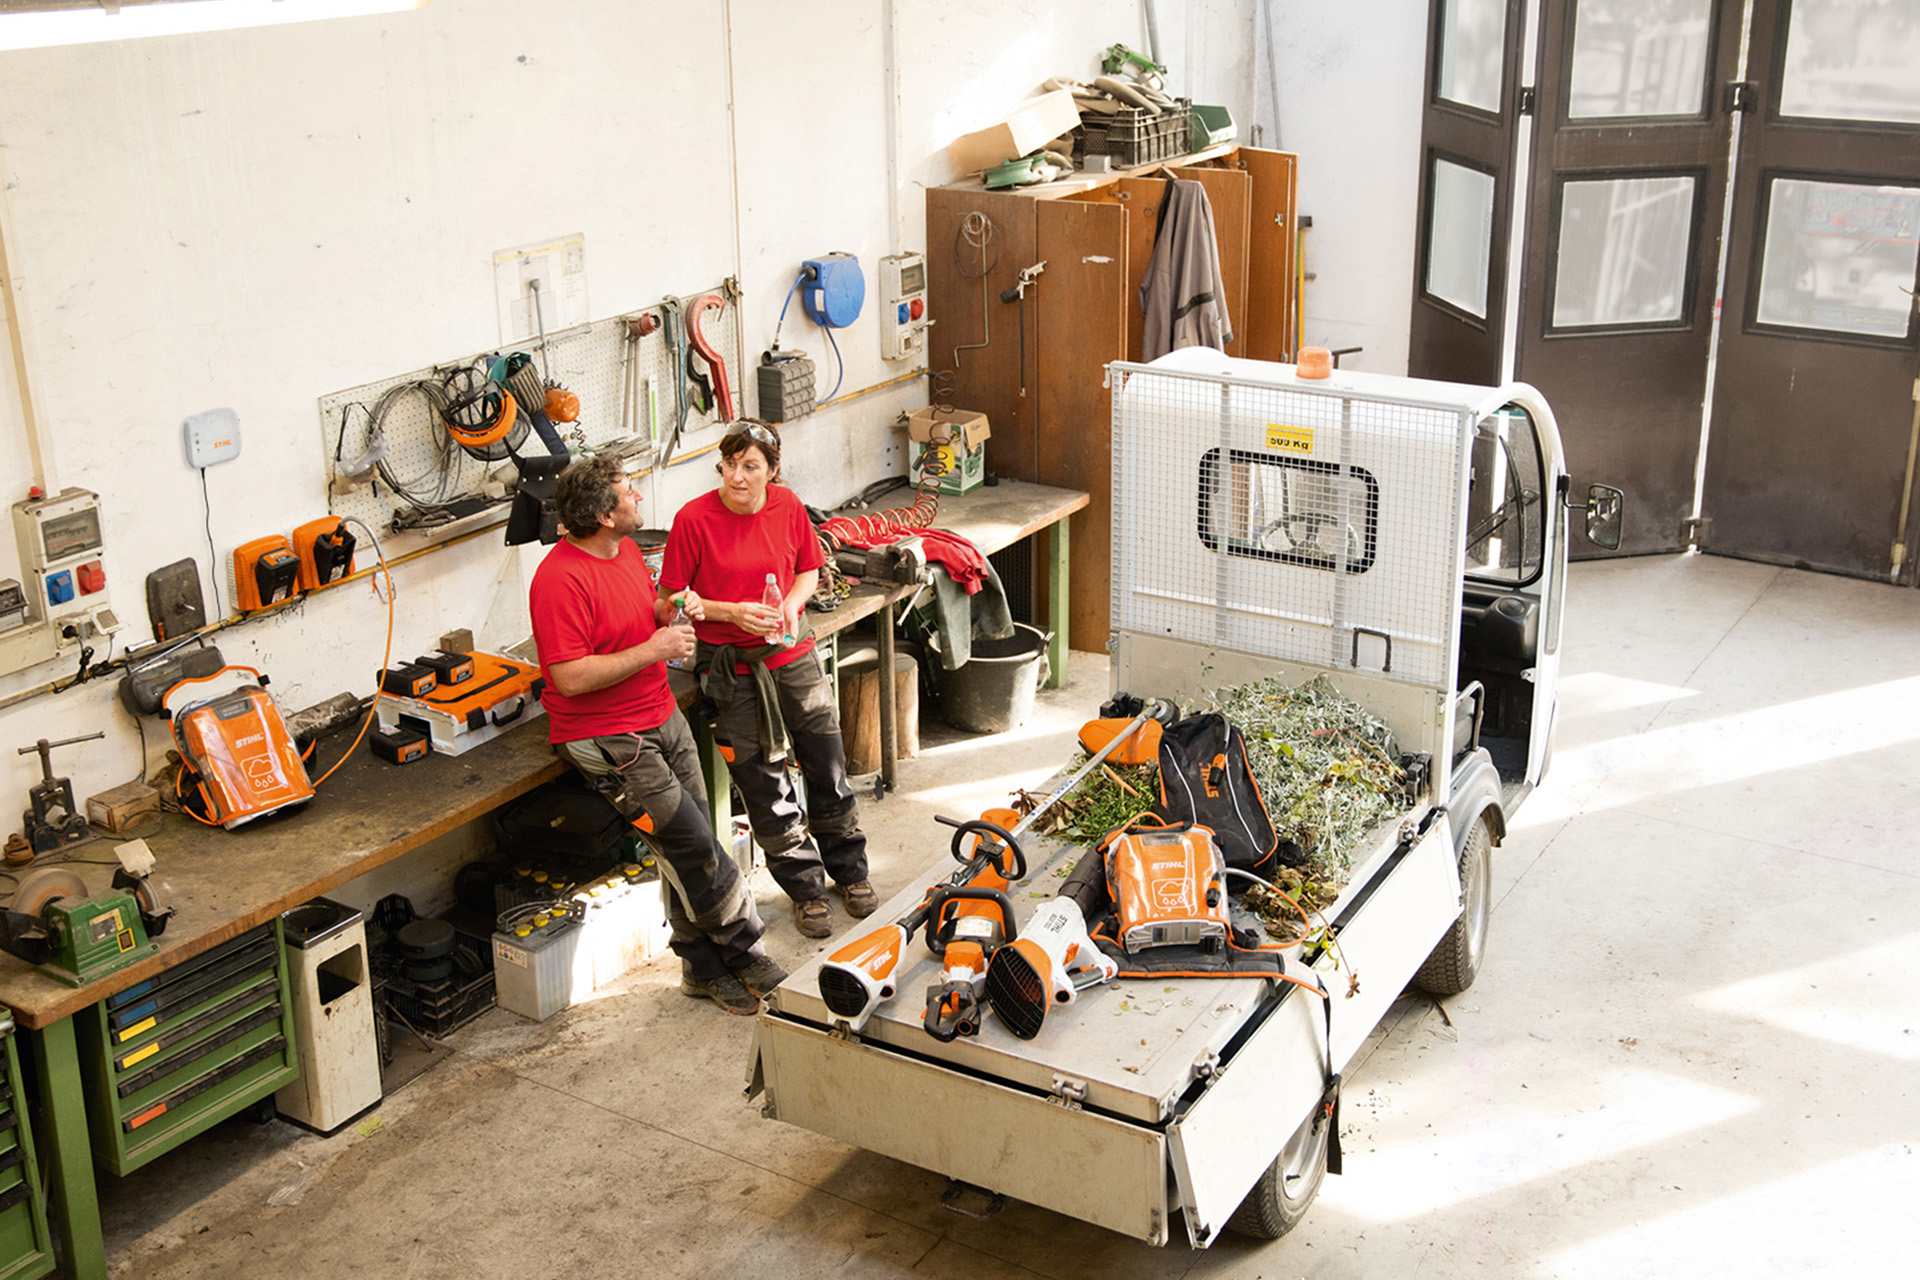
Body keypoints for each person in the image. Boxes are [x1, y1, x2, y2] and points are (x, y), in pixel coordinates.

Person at [528, 452, 784, 1014]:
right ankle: (746, 955)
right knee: (692, 846)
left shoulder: (619, 554)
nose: (638, 497)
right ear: (602, 514)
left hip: (659, 714)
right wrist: (655, 648)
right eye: (628, 491)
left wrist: (667, 610)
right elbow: (568, 678)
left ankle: (700, 968)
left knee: (686, 848)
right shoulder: (558, 580)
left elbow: (639, 613)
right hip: (609, 738)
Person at [661, 421, 876, 939]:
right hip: (730, 670)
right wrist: (725, 612)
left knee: (827, 766)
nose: (737, 476)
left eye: (750, 466)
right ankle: (805, 889)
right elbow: (668, 597)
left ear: (772, 471)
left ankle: (850, 873)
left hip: (792, 657)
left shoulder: (787, 506)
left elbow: (808, 566)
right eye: (729, 464)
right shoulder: (693, 520)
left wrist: (790, 604)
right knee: (766, 786)